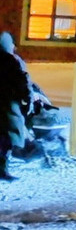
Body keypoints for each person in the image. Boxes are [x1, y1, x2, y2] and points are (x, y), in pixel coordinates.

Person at [0, 33, 31, 181]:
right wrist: (26, 98)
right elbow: (21, 81)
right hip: (7, 106)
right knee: (6, 139)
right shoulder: (11, 61)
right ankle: (2, 169)